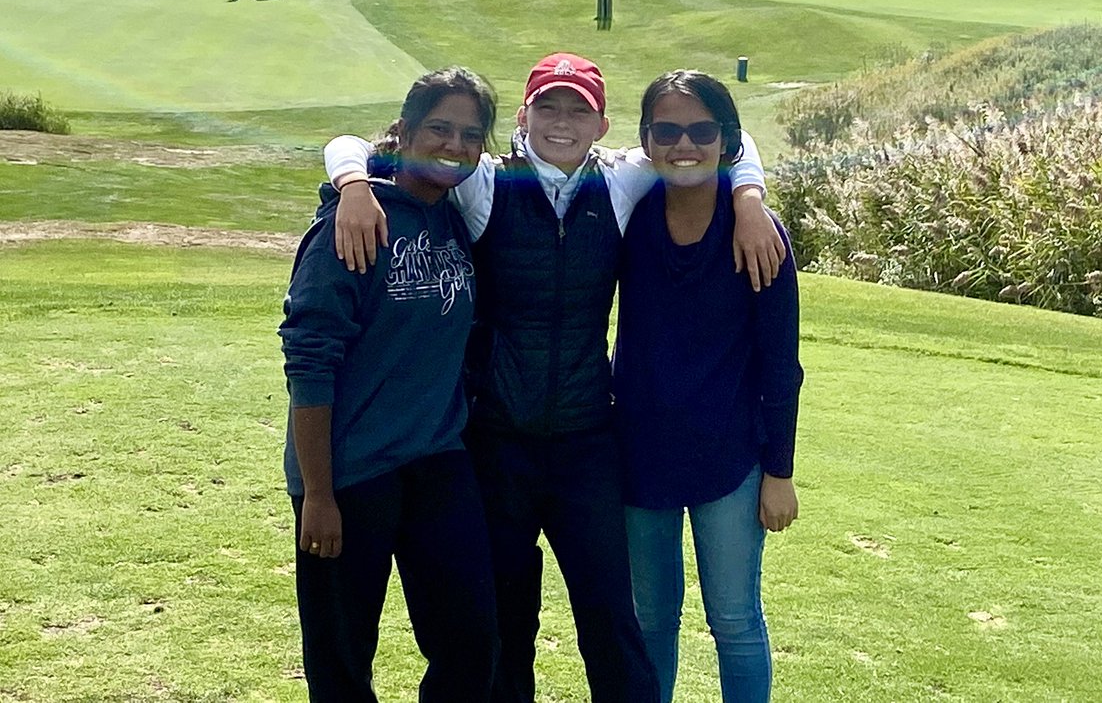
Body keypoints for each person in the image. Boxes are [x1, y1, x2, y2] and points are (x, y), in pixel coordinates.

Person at [323, 52, 786, 703]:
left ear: (601, 125)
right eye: (549, 107)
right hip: (498, 443)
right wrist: (351, 186)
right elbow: (353, 144)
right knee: (509, 623)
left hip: (586, 443)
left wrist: (748, 196)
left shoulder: (623, 179)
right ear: (523, 116)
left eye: (578, 110)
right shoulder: (485, 182)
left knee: (611, 620)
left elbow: (730, 139)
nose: (561, 122)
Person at [279, 67, 501, 703]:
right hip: (350, 472)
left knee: (470, 640)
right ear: (403, 132)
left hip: (438, 461)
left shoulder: (453, 217)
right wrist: (318, 494)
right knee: (342, 656)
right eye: (439, 128)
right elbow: (310, 360)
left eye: (469, 134)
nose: (454, 145)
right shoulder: (351, 225)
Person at [613, 70, 802, 703]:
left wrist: (779, 471)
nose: (684, 145)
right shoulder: (628, 216)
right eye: (667, 131)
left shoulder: (758, 232)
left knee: (735, 623)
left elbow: (781, 363)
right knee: (650, 623)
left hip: (731, 459)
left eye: (701, 130)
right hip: (640, 456)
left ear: (727, 140)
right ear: (645, 139)